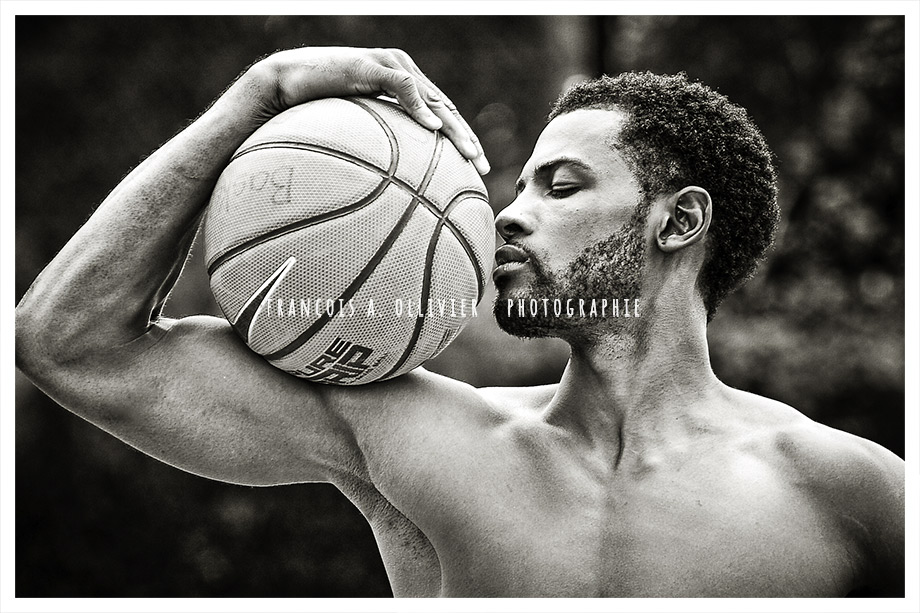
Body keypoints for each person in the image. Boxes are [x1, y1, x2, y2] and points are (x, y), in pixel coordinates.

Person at [15, 46, 904, 598]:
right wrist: (260, 95)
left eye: (559, 186)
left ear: (678, 221)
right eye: (513, 189)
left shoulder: (849, 492)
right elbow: (70, 343)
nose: (505, 217)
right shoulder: (415, 432)